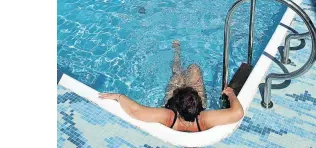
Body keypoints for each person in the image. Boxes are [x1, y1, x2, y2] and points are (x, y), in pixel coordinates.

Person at [99, 41, 244, 133]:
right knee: (194, 69)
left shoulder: (169, 117)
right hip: (191, 111)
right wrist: (230, 94)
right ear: (198, 106)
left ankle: (176, 55)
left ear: (176, 104)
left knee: (177, 76)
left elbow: (135, 111)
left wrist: (118, 96)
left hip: (177, 111)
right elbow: (238, 113)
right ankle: (177, 57)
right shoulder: (204, 119)